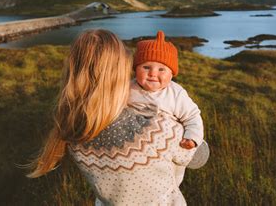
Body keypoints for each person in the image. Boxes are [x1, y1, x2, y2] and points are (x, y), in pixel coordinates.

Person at [27, 29, 207, 205]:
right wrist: (186, 131)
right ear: (120, 73)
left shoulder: (74, 127)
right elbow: (199, 157)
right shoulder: (156, 129)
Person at [129, 30, 204, 185]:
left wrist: (192, 138)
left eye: (161, 69)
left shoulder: (175, 93)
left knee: (170, 178)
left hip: (170, 149)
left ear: (171, 74)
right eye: (146, 67)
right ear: (136, 69)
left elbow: (192, 116)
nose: (153, 73)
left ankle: (170, 189)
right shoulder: (128, 89)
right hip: (137, 148)